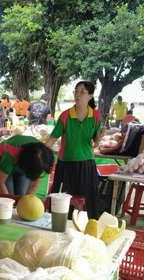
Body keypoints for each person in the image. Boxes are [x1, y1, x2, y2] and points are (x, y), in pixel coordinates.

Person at [44, 81, 104, 220]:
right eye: (76, 91)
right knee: (61, 203)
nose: (78, 94)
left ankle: (89, 229)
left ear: (90, 96)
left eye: (82, 92)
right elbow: (52, 139)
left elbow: (94, 142)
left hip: (87, 165)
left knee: (89, 202)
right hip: (66, 165)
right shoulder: (65, 116)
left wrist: (99, 137)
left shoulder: (95, 116)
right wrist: (39, 153)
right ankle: (59, 228)